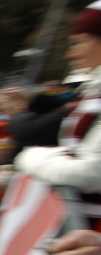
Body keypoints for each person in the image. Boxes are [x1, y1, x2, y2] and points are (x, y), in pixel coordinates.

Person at [16, 1, 101, 193]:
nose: (70, 55)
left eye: (79, 42)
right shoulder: (94, 91)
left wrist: (30, 157)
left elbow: (93, 174)